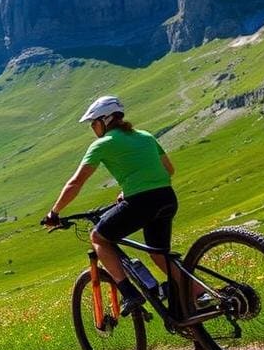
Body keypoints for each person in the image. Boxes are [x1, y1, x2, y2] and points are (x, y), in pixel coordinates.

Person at [42, 95, 177, 316]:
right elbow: (169, 171)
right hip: (167, 198)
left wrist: (54, 212)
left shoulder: (102, 144)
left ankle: (130, 293)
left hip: (141, 203)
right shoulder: (145, 136)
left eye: (93, 123)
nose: (92, 128)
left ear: (105, 120)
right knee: (159, 254)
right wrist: (130, 188)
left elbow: (75, 183)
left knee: (99, 237)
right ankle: (199, 295)